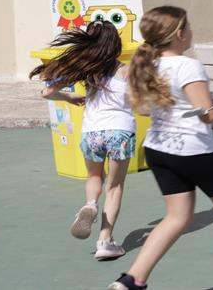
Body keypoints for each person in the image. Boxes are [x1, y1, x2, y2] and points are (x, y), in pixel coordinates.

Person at [109, 6, 213, 290]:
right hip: (195, 150)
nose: (191, 31)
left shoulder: (148, 65)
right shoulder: (188, 66)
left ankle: (131, 281)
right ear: (179, 34)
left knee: (177, 217)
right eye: (188, 27)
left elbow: (148, 111)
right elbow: (207, 115)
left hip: (159, 149)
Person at [30, 20, 135, 259]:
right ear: (115, 45)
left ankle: (90, 205)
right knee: (115, 187)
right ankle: (105, 241)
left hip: (92, 132)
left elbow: (47, 92)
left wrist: (68, 98)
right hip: (120, 131)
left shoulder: (85, 69)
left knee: (94, 176)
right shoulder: (126, 70)